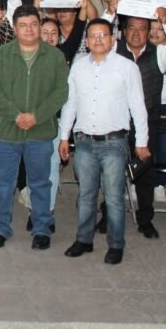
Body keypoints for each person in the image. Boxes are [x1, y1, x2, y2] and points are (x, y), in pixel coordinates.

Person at [60, 19, 148, 265]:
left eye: (103, 35)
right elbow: (71, 104)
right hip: (85, 141)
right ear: (86, 42)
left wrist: (142, 142)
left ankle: (116, 245)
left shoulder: (127, 67)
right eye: (93, 36)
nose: (98, 40)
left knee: (113, 197)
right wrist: (64, 136)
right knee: (86, 194)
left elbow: (138, 107)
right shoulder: (78, 67)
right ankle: (84, 240)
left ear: (113, 39)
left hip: (114, 144)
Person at [0, 5, 69, 250]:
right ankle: (0, 227)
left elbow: (60, 92)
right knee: (2, 183)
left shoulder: (53, 56)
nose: (29, 30)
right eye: (23, 25)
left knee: (40, 182)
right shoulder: (1, 55)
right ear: (15, 27)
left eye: (34, 24)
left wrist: (37, 116)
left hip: (40, 131)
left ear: (40, 27)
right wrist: (15, 115)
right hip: (7, 131)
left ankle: (42, 227)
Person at [112, 16, 162, 239]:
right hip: (116, 122)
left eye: (142, 29)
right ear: (124, 30)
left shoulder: (158, 53)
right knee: (112, 172)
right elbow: (95, 32)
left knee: (145, 173)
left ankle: (145, 219)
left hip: (147, 123)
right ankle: (108, 215)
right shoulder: (114, 51)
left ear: (149, 32)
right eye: (131, 28)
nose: (136, 33)